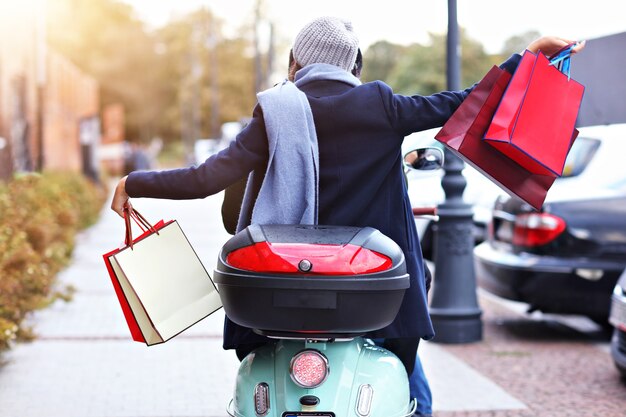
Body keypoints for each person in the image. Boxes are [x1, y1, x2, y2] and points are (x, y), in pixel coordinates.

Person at [111, 16, 584, 417]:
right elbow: (467, 100)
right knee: (414, 393)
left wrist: (135, 183)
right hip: (374, 302)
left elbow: (204, 179)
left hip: (278, 301)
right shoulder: (382, 106)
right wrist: (530, 56)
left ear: (295, 63)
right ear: (354, 66)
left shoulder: (273, 111)